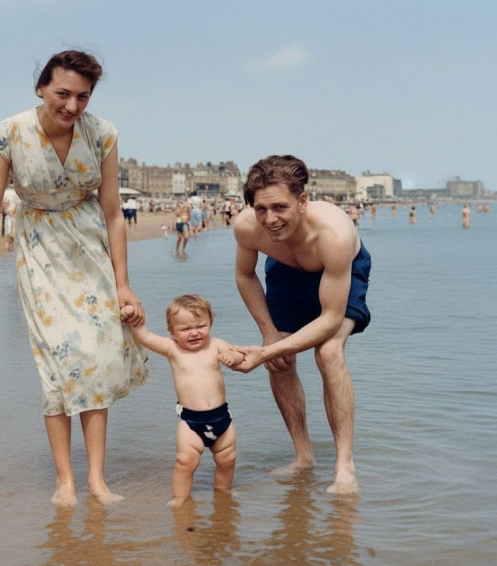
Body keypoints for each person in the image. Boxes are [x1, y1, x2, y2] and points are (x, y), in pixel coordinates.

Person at [0, 50, 149, 507]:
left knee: (100, 357)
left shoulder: (102, 135)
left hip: (90, 249)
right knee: (57, 364)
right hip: (38, 249)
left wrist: (123, 283)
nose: (72, 106)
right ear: (40, 87)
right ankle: (65, 480)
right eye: (62, 93)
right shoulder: (6, 135)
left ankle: (97, 480)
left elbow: (112, 213)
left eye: (82, 96)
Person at [230, 155, 371, 494]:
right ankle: (303, 457)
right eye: (261, 209)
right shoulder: (247, 227)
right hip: (286, 273)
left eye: (280, 207)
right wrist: (269, 335)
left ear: (303, 201)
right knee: (280, 362)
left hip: (337, 271)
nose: (270, 219)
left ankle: (344, 466)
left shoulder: (333, 234)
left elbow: (329, 320)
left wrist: (265, 352)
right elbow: (245, 275)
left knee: (329, 352)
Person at [123, 295, 243, 507]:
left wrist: (232, 358)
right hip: (191, 421)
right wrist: (133, 317)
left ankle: (223, 493)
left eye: (200, 326)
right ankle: (180, 498)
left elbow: (238, 355)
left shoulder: (216, 345)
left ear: (211, 323)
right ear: (171, 331)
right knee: (184, 462)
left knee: (227, 460)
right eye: (185, 329)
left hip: (221, 418)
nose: (194, 332)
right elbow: (145, 337)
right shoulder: (172, 349)